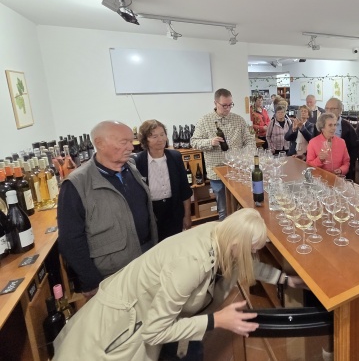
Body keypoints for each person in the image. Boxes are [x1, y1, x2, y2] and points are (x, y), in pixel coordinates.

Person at [53, 208, 305, 361]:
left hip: (155, 317)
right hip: (118, 334)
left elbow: (246, 265)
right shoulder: (191, 263)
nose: (253, 255)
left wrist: (284, 279)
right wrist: (216, 320)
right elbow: (153, 332)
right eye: (252, 249)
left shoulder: (222, 232)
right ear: (237, 244)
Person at [57, 121, 158, 300]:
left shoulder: (131, 168)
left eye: (131, 141)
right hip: (111, 274)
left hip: (146, 259)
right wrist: (90, 281)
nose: (131, 147)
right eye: (124, 142)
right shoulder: (76, 184)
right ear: (100, 143)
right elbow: (70, 239)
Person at [191, 89, 254, 221]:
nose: (228, 108)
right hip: (217, 172)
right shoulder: (205, 120)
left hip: (238, 170)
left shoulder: (239, 120)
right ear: (215, 103)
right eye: (224, 105)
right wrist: (210, 142)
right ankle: (225, 231)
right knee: (224, 209)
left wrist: (246, 153)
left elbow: (249, 140)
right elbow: (194, 142)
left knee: (243, 206)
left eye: (230, 105)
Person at [134, 119, 193, 242]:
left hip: (173, 209)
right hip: (151, 212)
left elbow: (184, 189)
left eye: (162, 134)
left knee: (175, 244)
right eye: (154, 136)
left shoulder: (175, 157)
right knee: (156, 246)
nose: (160, 139)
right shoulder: (138, 161)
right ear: (145, 140)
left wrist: (187, 215)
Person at [322, 98, 359, 180]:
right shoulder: (319, 126)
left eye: (332, 109)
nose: (329, 111)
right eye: (327, 108)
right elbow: (313, 144)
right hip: (323, 168)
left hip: (342, 171)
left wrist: (346, 164)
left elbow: (355, 148)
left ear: (340, 110)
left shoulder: (347, 127)